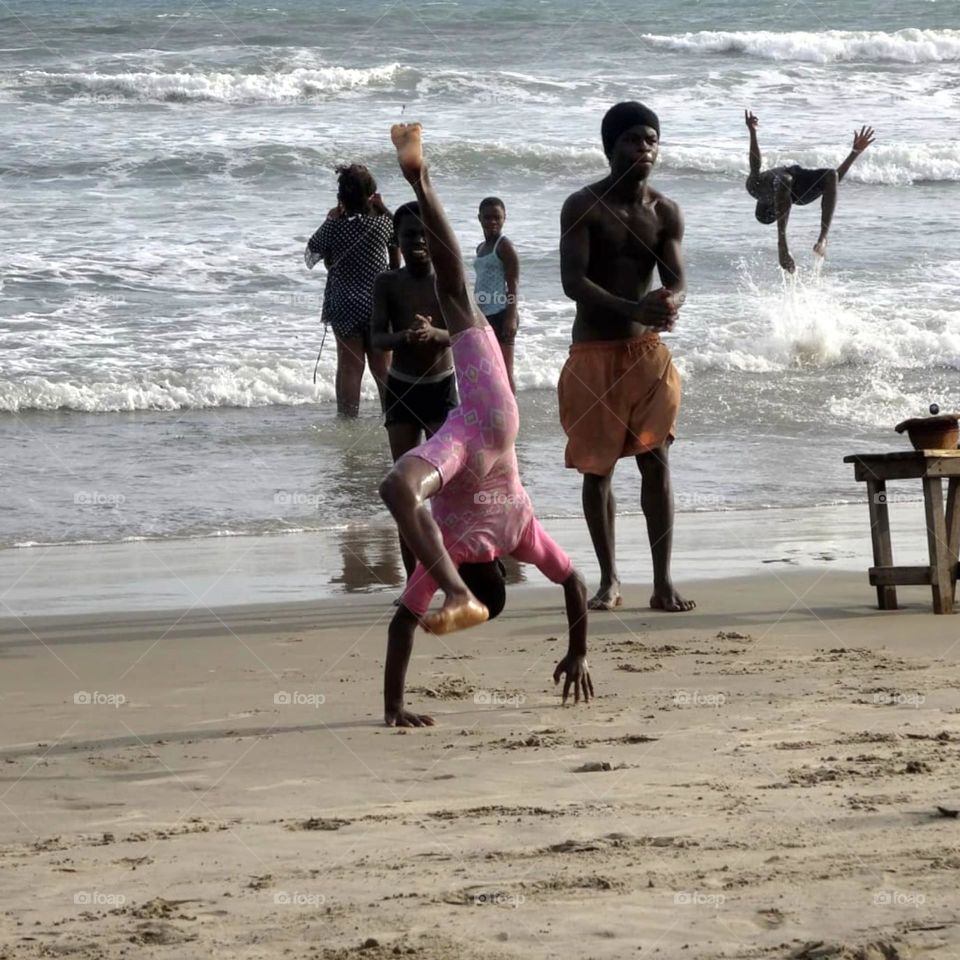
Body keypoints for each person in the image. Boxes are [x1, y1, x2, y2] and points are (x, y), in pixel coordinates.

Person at [380, 122, 591, 727]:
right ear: (489, 568)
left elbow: (574, 585)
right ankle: (421, 178)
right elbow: (402, 622)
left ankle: (422, 179)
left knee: (455, 294)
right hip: (475, 430)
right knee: (454, 292)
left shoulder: (521, 535)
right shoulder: (447, 548)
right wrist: (393, 706)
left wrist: (578, 651)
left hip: (491, 423)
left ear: (498, 568)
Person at [558, 100, 694, 614]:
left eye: (652, 139)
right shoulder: (583, 206)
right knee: (599, 470)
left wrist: (669, 304)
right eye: (634, 139)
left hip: (646, 354)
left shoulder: (665, 212)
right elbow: (574, 282)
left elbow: (677, 279)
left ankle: (662, 581)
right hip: (594, 352)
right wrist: (632, 305)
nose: (645, 148)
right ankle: (610, 579)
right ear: (610, 147)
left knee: (657, 463)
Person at [371, 200, 458, 578]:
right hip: (402, 390)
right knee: (406, 492)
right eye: (409, 235)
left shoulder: (449, 280)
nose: (419, 241)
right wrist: (405, 336)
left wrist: (435, 333)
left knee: (448, 490)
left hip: (442, 388)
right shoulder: (388, 282)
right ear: (397, 241)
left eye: (426, 234)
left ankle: (455, 572)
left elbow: (466, 332)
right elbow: (377, 338)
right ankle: (414, 580)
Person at [304, 163, 400, 416]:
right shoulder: (382, 223)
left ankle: (348, 420)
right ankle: (394, 418)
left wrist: (330, 219)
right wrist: (385, 209)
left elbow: (311, 255)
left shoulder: (335, 226)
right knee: (384, 368)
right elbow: (402, 238)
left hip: (344, 303)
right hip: (379, 303)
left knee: (349, 367)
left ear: (341, 197)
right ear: (371, 194)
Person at [744, 111, 876, 273]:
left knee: (787, 181)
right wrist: (854, 153)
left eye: (779, 210)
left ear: (763, 204)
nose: (781, 209)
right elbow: (832, 181)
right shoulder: (796, 197)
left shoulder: (756, 188)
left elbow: (755, 165)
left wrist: (752, 133)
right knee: (828, 176)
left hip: (788, 179)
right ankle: (784, 246)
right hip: (791, 181)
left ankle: (822, 239)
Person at [473, 197, 519, 394]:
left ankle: (513, 418)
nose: (492, 221)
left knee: (505, 372)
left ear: (504, 218)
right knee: (489, 370)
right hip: (484, 315)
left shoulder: (504, 246)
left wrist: (510, 317)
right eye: (487, 217)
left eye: (497, 217)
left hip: (502, 313)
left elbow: (513, 284)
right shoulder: (481, 248)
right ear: (479, 218)